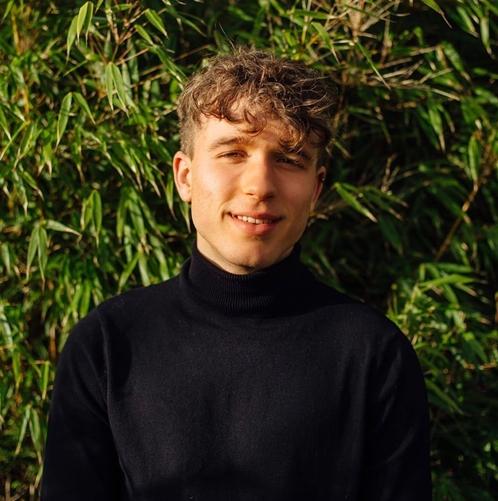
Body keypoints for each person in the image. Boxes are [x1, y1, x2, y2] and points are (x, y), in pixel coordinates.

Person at [42, 48, 432, 500]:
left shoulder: (372, 354)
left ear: (316, 188)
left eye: (289, 159)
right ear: (185, 177)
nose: (260, 185)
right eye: (232, 153)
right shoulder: (108, 346)